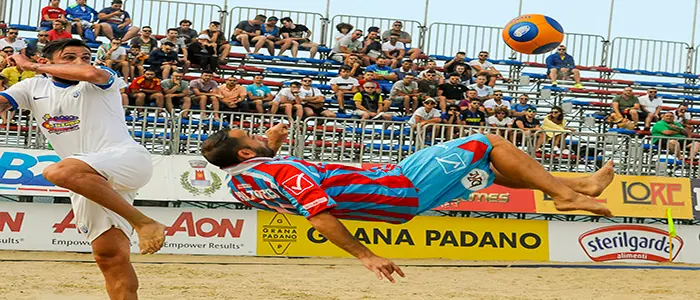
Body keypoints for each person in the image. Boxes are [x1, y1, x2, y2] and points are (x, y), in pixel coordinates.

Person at [200, 119, 614, 284]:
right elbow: (318, 215)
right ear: (245, 156)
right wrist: (366, 256)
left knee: (485, 166)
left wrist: (269, 147)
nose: (256, 134)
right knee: (489, 141)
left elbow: (276, 184)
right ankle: (566, 195)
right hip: (398, 186)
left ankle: (580, 184)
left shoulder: (241, 184)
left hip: (392, 198)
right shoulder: (276, 171)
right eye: (250, 137)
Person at [0, 39, 165, 299]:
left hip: (124, 158)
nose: (81, 61)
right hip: (88, 179)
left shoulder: (101, 77)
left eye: (85, 56)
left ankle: (144, 223)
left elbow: (90, 72)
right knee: (109, 257)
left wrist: (29, 64)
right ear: (48, 61)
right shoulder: (33, 86)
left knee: (57, 173)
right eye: (70, 57)